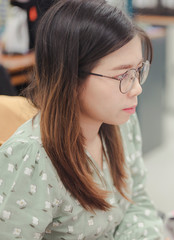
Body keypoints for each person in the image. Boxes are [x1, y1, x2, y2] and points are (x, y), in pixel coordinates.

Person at [0, 0, 165, 239]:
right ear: (70, 77)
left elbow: (136, 201)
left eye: (138, 71)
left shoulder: (122, 123)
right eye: (122, 75)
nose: (136, 88)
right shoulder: (32, 158)